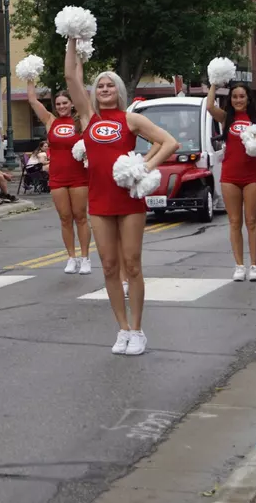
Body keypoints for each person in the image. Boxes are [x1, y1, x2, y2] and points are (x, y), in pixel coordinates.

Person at [63, 38, 178, 356]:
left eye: (109, 84)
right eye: (99, 85)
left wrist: (145, 166)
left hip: (129, 202)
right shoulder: (89, 118)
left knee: (133, 264)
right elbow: (71, 77)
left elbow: (169, 142)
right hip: (99, 203)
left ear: (119, 91)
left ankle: (138, 329)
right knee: (110, 267)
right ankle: (122, 329)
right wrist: (72, 38)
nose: (103, 88)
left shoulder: (131, 119)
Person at [207, 83, 256, 281]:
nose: (238, 100)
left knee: (252, 222)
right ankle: (239, 265)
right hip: (230, 176)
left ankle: (255, 266)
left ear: (248, 99)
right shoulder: (226, 118)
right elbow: (209, 106)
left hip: (253, 177)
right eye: (235, 97)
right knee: (234, 222)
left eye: (242, 96)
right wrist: (215, 84)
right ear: (230, 100)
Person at [27, 82, 91, 275]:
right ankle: (71, 257)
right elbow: (32, 100)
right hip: (57, 176)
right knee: (65, 218)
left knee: (80, 216)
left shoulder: (81, 121)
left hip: (78, 175)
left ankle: (85, 258)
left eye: (65, 103)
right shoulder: (50, 121)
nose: (62, 106)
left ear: (72, 104)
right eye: (59, 104)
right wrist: (30, 77)